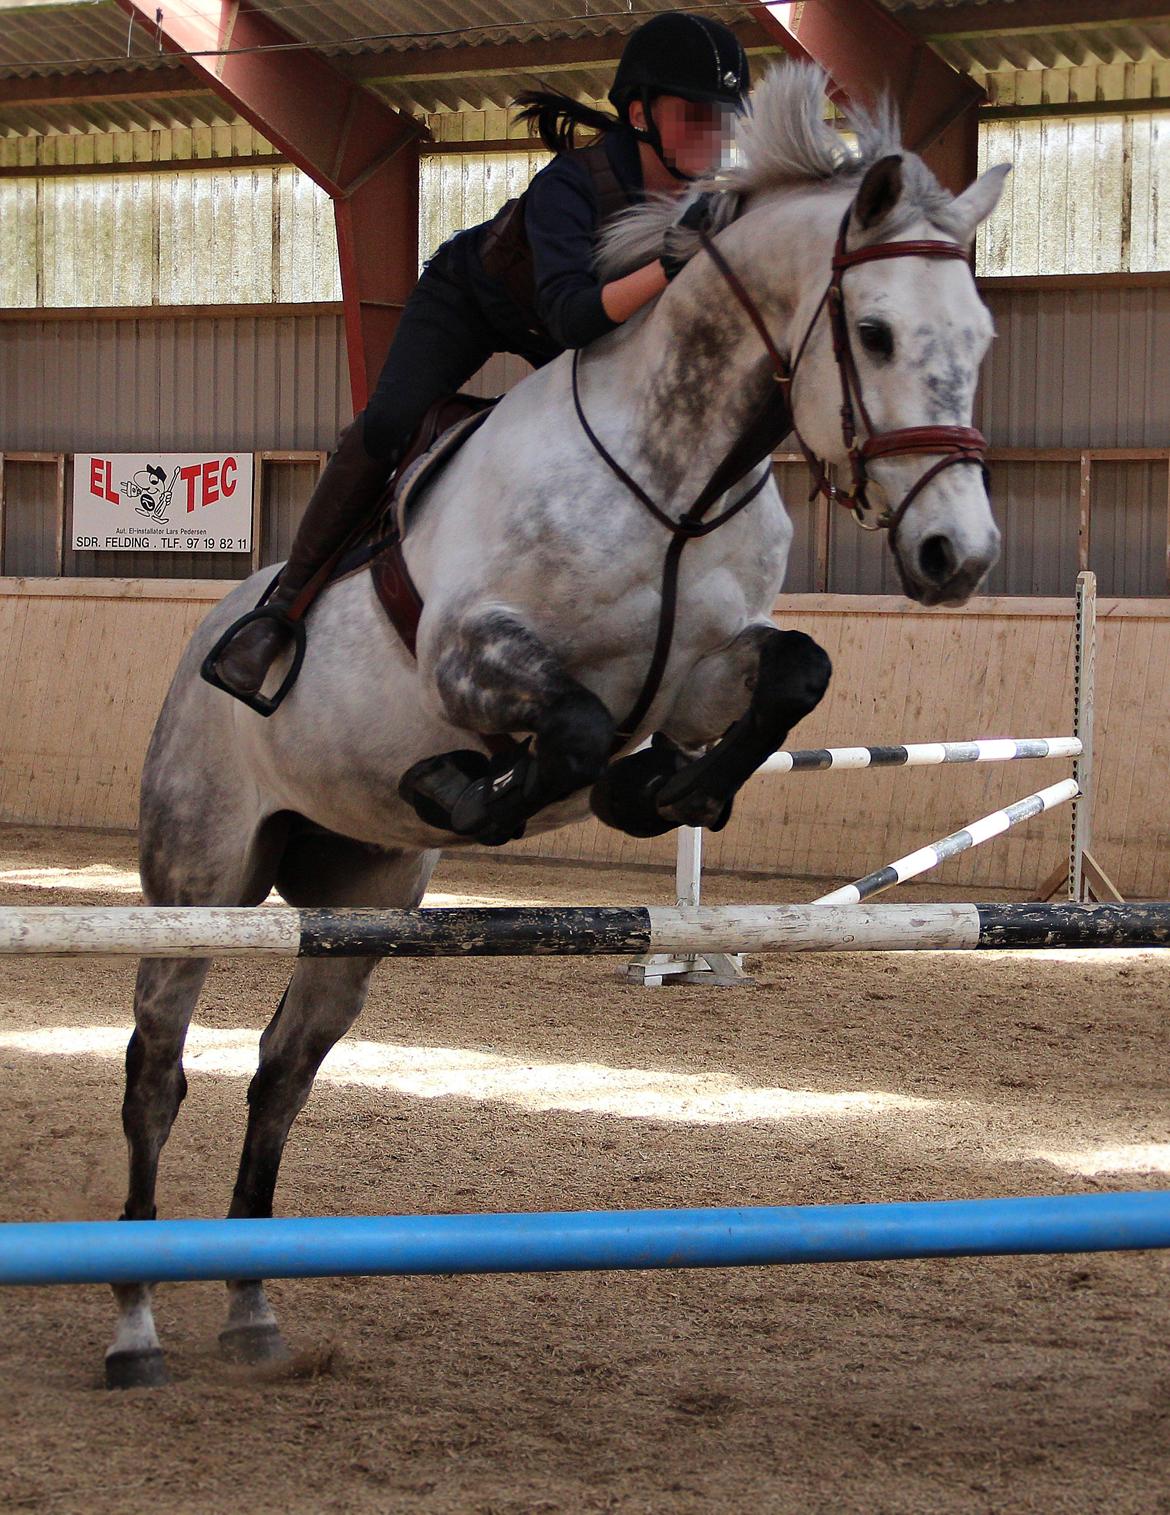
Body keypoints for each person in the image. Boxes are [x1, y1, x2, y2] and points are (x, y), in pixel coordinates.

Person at [207, 11, 750, 701]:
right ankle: (278, 610)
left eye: (725, 120)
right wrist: (671, 268)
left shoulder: (713, 200)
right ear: (640, 114)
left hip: (584, 334)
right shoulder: (571, 185)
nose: (716, 137)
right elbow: (571, 315)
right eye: (696, 116)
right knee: (389, 422)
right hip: (477, 299)